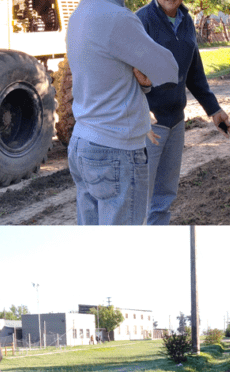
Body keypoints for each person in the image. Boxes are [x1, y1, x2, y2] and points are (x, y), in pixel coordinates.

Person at [66, 0, 178, 225]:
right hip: (116, 149)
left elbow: (109, 75)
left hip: (83, 142)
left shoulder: (79, 14)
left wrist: (142, 82)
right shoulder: (118, 18)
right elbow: (168, 69)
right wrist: (146, 76)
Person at [135, 0, 230, 225]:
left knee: (164, 197)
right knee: (139, 197)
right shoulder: (141, 21)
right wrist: (140, 114)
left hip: (176, 123)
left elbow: (194, 71)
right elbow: (127, 74)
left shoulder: (186, 21)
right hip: (149, 126)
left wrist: (214, 109)